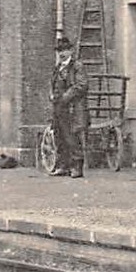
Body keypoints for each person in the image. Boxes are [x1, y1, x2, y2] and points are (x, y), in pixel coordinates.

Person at [49, 37, 90, 177]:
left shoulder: (77, 66)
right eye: (59, 50)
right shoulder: (58, 68)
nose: (62, 53)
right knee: (59, 136)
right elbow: (53, 85)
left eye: (65, 50)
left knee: (72, 137)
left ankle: (77, 167)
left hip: (72, 108)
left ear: (71, 51)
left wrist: (65, 97)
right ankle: (63, 166)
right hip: (59, 108)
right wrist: (52, 96)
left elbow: (81, 85)